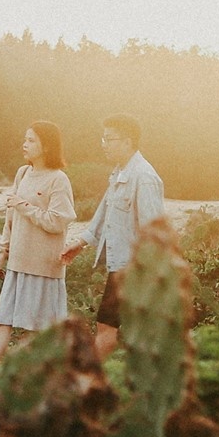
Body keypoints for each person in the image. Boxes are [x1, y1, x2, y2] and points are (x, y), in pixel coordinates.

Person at [63, 113, 166, 361]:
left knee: (107, 329)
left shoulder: (144, 177)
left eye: (109, 139)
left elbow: (154, 231)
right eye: (103, 139)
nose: (104, 144)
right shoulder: (121, 172)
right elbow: (105, 212)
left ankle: (86, 381)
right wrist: (81, 242)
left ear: (128, 141)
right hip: (123, 266)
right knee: (119, 330)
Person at [0, 121, 77, 385]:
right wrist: (2, 253)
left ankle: (37, 388)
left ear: (46, 146)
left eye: (31, 140)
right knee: (2, 324)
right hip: (17, 263)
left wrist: (24, 205)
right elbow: (10, 219)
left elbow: (57, 221)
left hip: (43, 267)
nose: (25, 145)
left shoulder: (58, 179)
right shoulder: (22, 173)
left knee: (35, 333)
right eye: (25, 139)